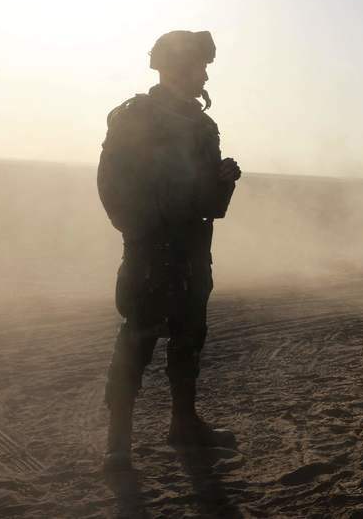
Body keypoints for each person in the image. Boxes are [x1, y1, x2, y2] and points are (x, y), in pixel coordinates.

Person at [98, 30, 242, 472]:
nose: (202, 74)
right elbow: (111, 185)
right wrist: (143, 233)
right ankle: (117, 445)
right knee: (137, 340)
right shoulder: (135, 117)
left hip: (191, 250)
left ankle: (184, 425)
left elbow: (207, 205)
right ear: (172, 68)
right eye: (195, 66)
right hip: (150, 251)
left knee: (188, 339)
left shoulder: (202, 125)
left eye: (202, 66)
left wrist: (222, 182)